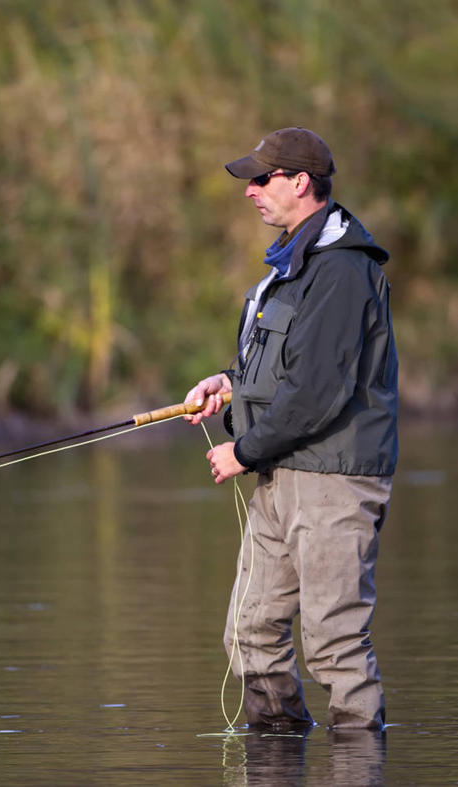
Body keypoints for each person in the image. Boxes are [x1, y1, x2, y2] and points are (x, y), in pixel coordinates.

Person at [185, 127, 398, 731]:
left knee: (334, 643)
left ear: (300, 182)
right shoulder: (290, 265)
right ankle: (277, 752)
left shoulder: (342, 271)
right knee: (250, 634)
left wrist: (243, 451)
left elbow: (316, 392)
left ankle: (359, 760)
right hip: (281, 472)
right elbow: (281, 368)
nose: (250, 190)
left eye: (262, 178)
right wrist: (228, 384)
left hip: (334, 479)